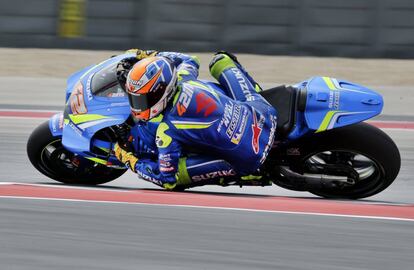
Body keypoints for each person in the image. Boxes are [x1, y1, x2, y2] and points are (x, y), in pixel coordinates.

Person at [114, 49, 278, 190]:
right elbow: (190, 60)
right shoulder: (184, 76)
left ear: (161, 91)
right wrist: (149, 54)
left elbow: (167, 180)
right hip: (263, 112)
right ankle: (258, 92)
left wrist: (132, 161)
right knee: (221, 60)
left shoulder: (166, 131)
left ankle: (245, 175)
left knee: (179, 175)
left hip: (251, 157)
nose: (138, 106)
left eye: (143, 99)